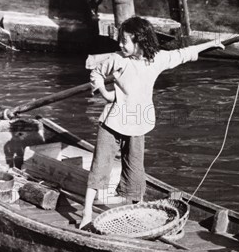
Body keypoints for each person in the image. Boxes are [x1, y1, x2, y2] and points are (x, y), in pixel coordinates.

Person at [79, 16, 224, 228]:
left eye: (125, 40)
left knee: (136, 169)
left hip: (137, 122)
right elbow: (97, 73)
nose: (120, 44)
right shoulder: (117, 59)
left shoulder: (156, 60)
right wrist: (105, 93)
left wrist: (211, 44)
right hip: (112, 121)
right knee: (100, 166)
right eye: (120, 39)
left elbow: (183, 54)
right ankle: (86, 213)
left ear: (140, 41)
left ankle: (135, 211)